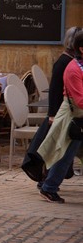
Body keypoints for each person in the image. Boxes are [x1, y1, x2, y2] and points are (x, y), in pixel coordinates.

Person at [23, 27, 82, 186]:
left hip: (69, 113)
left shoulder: (73, 61)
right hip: (62, 114)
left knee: (61, 149)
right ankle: (47, 183)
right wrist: (51, 115)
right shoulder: (64, 62)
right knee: (55, 149)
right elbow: (55, 91)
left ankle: (49, 183)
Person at [37, 30, 83, 203]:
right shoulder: (72, 69)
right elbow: (79, 100)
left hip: (77, 116)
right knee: (64, 154)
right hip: (73, 117)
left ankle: (48, 186)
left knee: (66, 154)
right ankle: (48, 188)